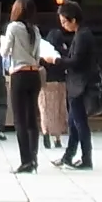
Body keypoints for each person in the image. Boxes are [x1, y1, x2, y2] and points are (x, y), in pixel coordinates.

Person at [1, 0, 48, 174]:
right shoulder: (35, 30)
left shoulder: (13, 27)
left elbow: (4, 52)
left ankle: (25, 160)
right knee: (31, 119)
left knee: (19, 120)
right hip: (33, 73)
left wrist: (1, 42)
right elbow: (37, 56)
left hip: (19, 74)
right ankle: (34, 158)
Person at [51, 0, 96, 170]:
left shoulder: (83, 35)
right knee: (74, 123)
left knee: (80, 123)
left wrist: (57, 60)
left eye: (64, 22)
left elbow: (76, 61)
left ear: (73, 19)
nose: (63, 26)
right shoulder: (81, 34)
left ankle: (86, 158)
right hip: (77, 84)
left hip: (80, 85)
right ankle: (68, 156)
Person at [39, 22, 71, 150]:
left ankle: (46, 132)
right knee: (59, 110)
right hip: (61, 83)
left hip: (46, 83)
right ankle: (57, 139)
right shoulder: (64, 51)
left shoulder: (45, 51)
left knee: (45, 108)